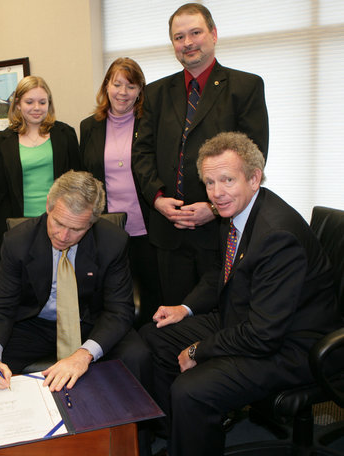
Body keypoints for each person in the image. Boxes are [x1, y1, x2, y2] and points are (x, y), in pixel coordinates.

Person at [139, 132, 340, 456]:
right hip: (248, 318)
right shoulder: (235, 212)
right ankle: (185, 437)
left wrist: (198, 351)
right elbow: (222, 273)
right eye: (209, 182)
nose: (217, 193)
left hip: (292, 345)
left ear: (254, 177)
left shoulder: (276, 236)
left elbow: (264, 335)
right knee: (154, 337)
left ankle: (192, 432)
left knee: (192, 389)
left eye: (227, 180)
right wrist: (185, 308)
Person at [132, 3, 269, 309]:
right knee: (173, 315)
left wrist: (214, 206)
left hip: (221, 230)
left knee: (221, 314)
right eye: (179, 37)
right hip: (169, 230)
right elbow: (141, 153)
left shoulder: (245, 87)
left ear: (214, 34)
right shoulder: (155, 93)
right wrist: (156, 198)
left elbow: (254, 158)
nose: (188, 42)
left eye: (195, 32)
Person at [0, 170, 150, 391]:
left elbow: (119, 311)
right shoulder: (17, 241)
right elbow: (0, 305)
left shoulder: (112, 242)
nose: (63, 236)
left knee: (137, 355)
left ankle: (134, 425)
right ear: (48, 207)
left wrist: (84, 355)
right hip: (34, 324)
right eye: (58, 223)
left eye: (76, 229)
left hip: (89, 322)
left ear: (91, 223)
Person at [80, 57, 161, 328]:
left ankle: (150, 348)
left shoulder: (151, 123)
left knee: (152, 293)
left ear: (140, 91)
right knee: (110, 295)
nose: (122, 93)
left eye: (131, 86)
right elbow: (86, 178)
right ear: (106, 86)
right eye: (117, 84)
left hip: (147, 225)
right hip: (107, 228)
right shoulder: (89, 127)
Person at [0, 75, 80, 246]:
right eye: (29, 102)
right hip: (20, 225)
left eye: (42, 102)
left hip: (61, 224)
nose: (36, 108)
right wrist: (4, 233)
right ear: (18, 104)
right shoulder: (4, 141)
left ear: (49, 104)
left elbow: (78, 183)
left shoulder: (65, 134)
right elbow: (0, 195)